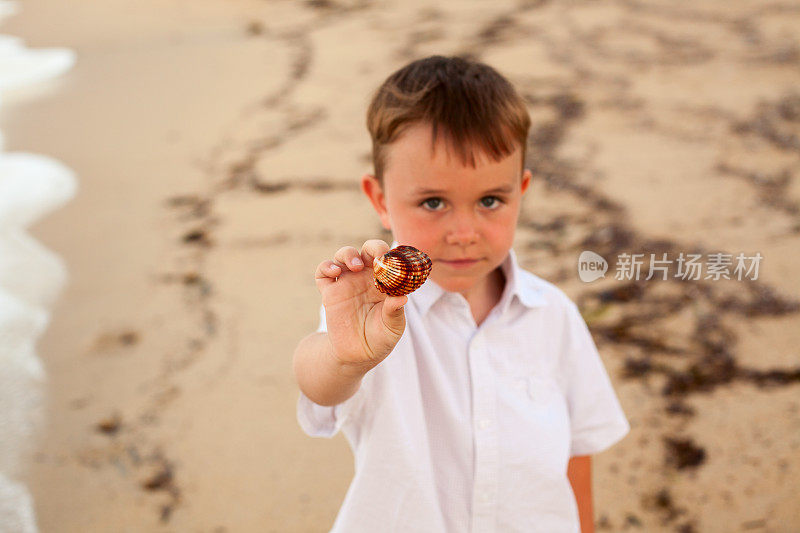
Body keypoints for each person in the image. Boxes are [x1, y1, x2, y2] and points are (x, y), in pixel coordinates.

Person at [292, 55, 629, 533]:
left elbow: (574, 454)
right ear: (380, 199)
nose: (464, 232)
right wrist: (347, 358)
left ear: (521, 190)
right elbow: (318, 381)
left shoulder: (553, 315)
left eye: (491, 200)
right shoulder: (372, 318)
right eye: (433, 202)